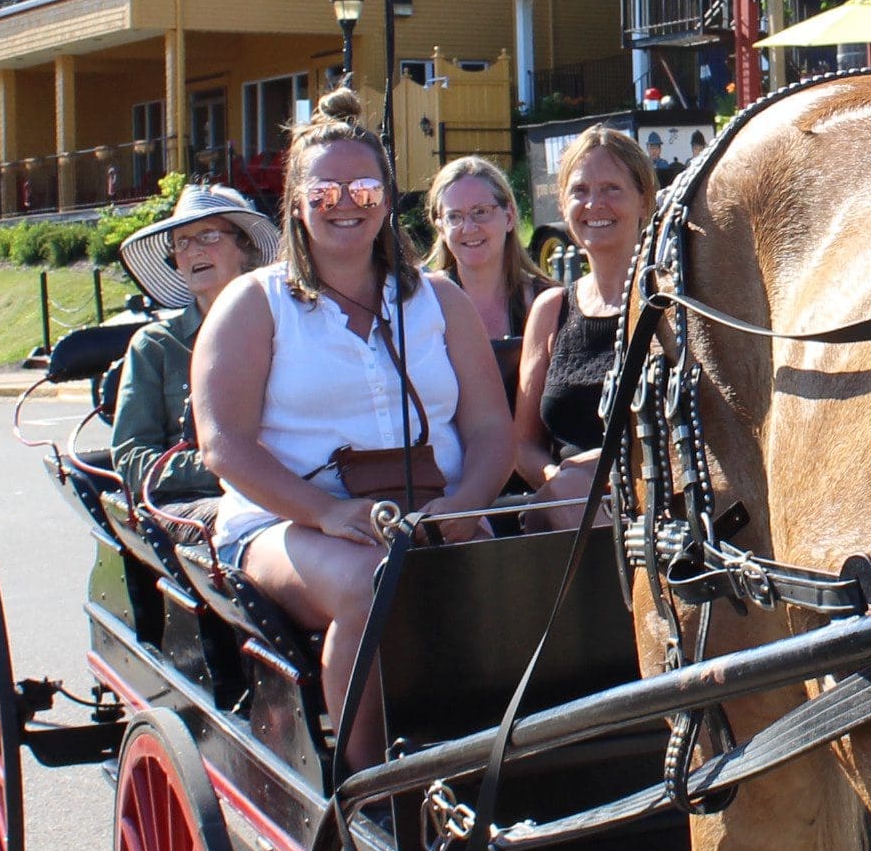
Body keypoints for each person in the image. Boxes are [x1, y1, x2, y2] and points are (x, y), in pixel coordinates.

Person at [195, 90, 514, 744]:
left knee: (525, 583)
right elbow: (223, 444)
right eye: (326, 191)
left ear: (388, 199)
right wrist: (328, 512)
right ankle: (364, 793)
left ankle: (503, 767)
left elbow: (489, 430)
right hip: (289, 524)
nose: (346, 203)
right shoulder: (254, 305)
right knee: (372, 585)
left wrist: (464, 505)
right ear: (295, 201)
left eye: (365, 189)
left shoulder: (441, 302)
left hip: (431, 513)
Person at [108, 184, 278, 519]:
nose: (192, 251)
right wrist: (222, 465)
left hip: (293, 488)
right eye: (181, 243)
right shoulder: (155, 346)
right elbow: (132, 460)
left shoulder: (287, 330)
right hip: (198, 502)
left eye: (208, 236)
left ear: (246, 248)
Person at [510, 126, 654, 519]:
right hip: (570, 514)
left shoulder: (669, 306)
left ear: (644, 201)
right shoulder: (550, 310)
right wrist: (565, 486)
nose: (594, 204)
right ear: (562, 203)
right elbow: (522, 447)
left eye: (611, 189)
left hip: (655, 509)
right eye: (580, 191)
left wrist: (605, 475)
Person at [422, 155, 546, 406]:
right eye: (454, 217)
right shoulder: (421, 304)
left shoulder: (546, 301)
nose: (468, 227)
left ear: (509, 216)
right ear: (440, 228)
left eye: (481, 212)